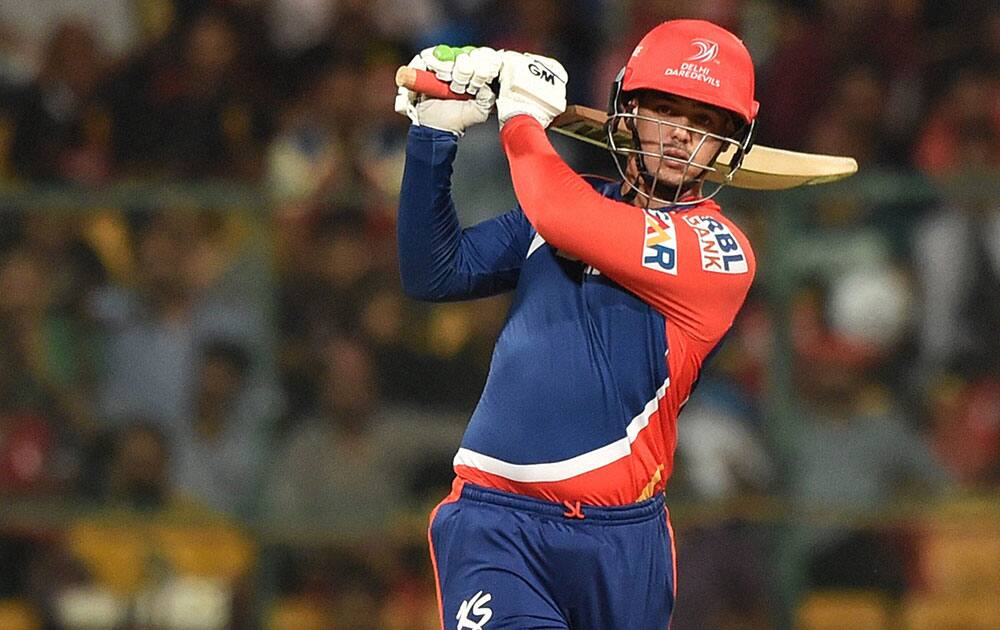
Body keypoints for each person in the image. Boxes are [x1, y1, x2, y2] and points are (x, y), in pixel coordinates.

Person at [395, 19, 758, 628]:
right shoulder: (571, 200)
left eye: (704, 124)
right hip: (495, 524)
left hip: (624, 544)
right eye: (665, 111)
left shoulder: (721, 251)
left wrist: (522, 117)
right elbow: (435, 271)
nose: (679, 138)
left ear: (728, 145)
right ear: (629, 112)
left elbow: (562, 214)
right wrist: (433, 136)